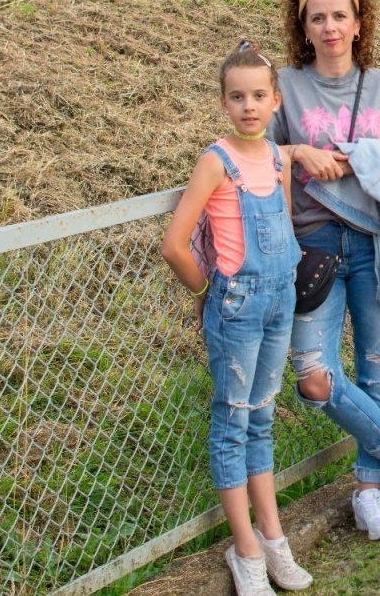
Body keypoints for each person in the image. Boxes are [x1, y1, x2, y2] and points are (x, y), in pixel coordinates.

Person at [269, 0, 380, 541]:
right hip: (311, 244)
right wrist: (297, 151)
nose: (330, 26)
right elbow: (251, 154)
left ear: (359, 23)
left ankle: (368, 494)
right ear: (304, 27)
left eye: (340, 15)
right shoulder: (284, 86)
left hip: (378, 244)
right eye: (318, 17)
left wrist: (362, 158)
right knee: (314, 376)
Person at [159, 43, 314, 596]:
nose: (248, 106)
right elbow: (174, 244)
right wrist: (205, 290)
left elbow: (287, 226)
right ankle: (245, 549)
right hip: (237, 306)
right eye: (236, 97)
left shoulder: (276, 157)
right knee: (232, 420)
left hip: (279, 301)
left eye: (258, 96)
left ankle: (274, 538)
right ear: (224, 103)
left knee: (263, 417)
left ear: (275, 99)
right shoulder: (215, 161)